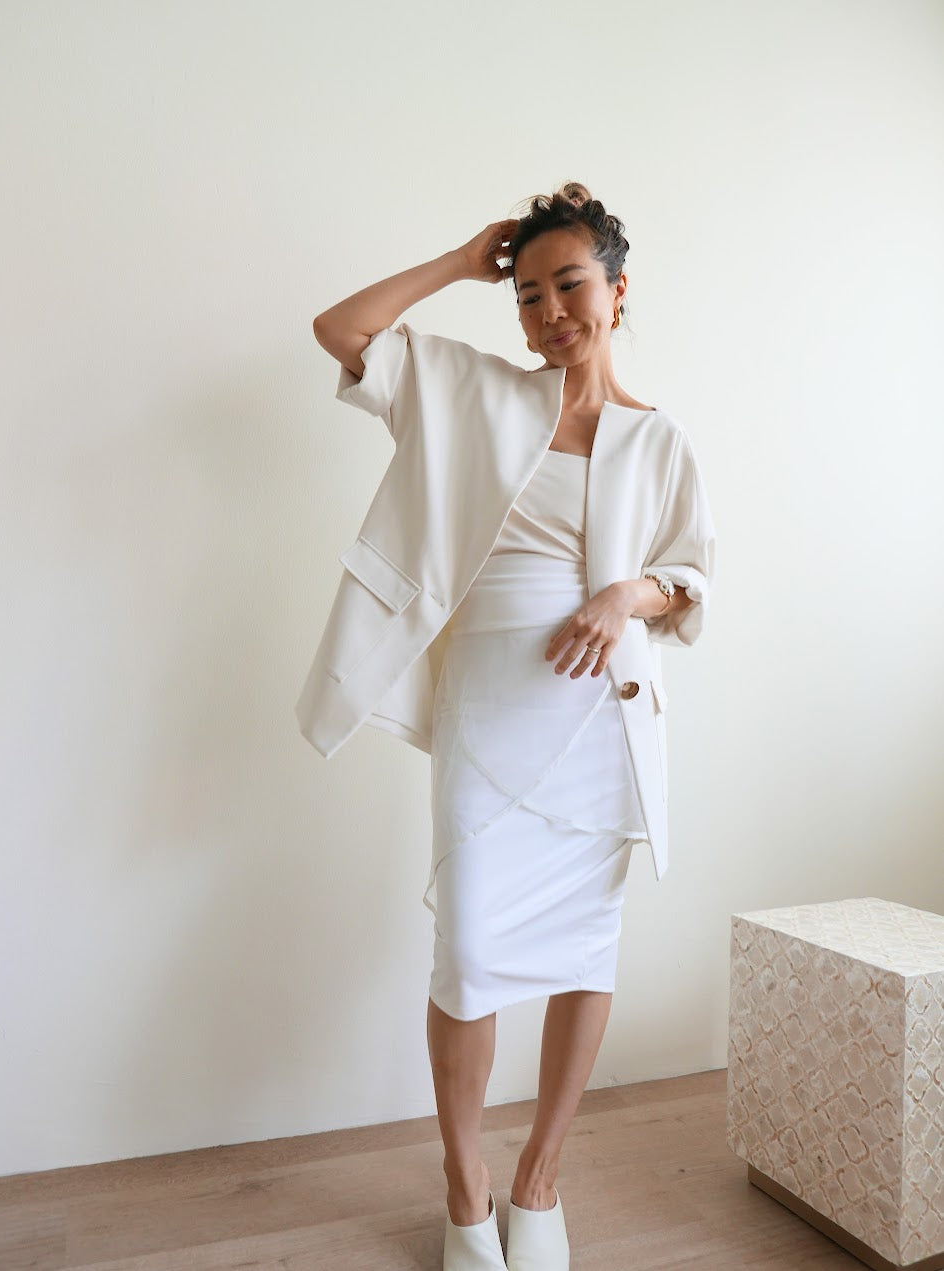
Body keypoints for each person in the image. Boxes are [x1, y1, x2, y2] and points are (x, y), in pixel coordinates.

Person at [309, 182, 716, 1271]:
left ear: (618, 291)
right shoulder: (472, 393)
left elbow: (693, 578)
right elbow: (341, 331)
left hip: (602, 724)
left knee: (587, 952)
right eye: (528, 295)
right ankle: (464, 1185)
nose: (548, 312)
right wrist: (459, 260)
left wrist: (628, 595)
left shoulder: (660, 438)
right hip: (491, 716)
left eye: (569, 285)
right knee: (470, 953)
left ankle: (539, 1178)